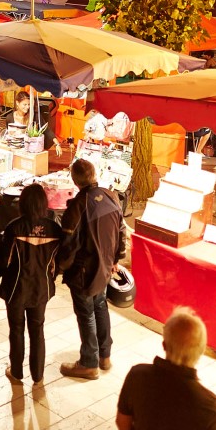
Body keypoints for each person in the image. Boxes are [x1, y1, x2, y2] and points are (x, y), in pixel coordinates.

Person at [116, 306, 216, 430]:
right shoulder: (209, 405)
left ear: (164, 344)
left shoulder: (137, 375)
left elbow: (122, 423)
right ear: (201, 351)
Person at [59, 158, 127, 380]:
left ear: (75, 180)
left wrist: (59, 267)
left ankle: (89, 363)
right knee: (100, 307)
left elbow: (68, 245)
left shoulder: (78, 206)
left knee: (86, 313)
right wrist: (117, 258)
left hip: (83, 271)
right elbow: (121, 231)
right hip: (105, 267)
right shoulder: (111, 196)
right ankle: (104, 356)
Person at [0, 183, 64, 384]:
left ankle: (16, 371)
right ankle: (38, 375)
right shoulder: (54, 229)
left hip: (16, 287)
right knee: (38, 330)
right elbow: (57, 262)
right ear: (44, 203)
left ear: (23, 203)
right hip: (41, 288)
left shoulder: (14, 227)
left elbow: (3, 260)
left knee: (16, 329)